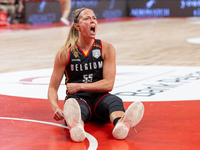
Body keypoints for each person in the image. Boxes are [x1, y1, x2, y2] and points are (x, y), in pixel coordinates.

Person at [48, 7, 144, 142]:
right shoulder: (65, 52)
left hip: (100, 96)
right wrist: (55, 108)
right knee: (77, 108)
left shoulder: (107, 48)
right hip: (78, 98)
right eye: (87, 18)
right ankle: (77, 128)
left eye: (94, 18)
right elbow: (52, 87)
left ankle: (121, 125)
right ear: (78, 26)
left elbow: (109, 84)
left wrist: (80, 86)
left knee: (114, 101)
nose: (92, 21)